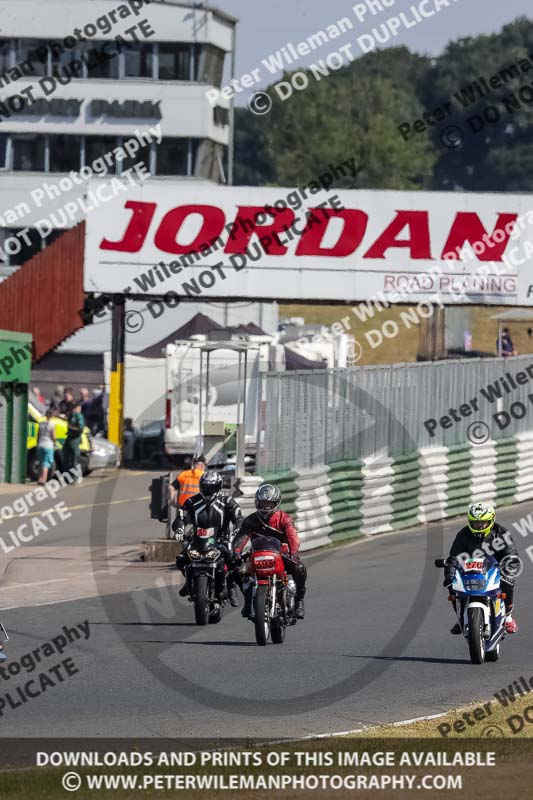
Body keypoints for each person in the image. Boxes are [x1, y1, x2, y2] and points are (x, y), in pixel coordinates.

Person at [232, 484, 307, 620]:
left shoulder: (285, 519)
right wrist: (237, 551)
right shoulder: (251, 519)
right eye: (263, 503)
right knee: (237, 571)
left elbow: (293, 536)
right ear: (257, 502)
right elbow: (242, 537)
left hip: (281, 555)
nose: (265, 506)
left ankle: (299, 602)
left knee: (300, 568)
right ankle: (248, 601)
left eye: (269, 503)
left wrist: (294, 552)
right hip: (257, 555)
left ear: (276, 503)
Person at [444, 502, 519, 635]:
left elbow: (511, 555)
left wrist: (508, 572)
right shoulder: (463, 534)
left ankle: (507, 616)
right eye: (475, 523)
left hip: (495, 569)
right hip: (469, 570)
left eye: (483, 523)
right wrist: (449, 576)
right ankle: (461, 617)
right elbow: (453, 558)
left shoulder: (502, 533)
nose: (479, 526)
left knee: (508, 583)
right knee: (452, 586)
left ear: (491, 520)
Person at [173, 471, 242, 606]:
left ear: (219, 487)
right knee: (181, 559)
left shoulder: (227, 501)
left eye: (212, 488)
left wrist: (237, 531)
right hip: (198, 538)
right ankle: (189, 583)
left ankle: (231, 586)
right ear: (201, 487)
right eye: (205, 487)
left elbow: (239, 518)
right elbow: (180, 517)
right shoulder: (191, 501)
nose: (208, 491)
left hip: (222, 538)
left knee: (233, 559)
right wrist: (180, 529)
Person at [62, 402, 85, 475]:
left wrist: (72, 428)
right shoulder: (71, 416)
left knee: (74, 458)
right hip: (69, 438)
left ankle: (75, 476)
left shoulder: (79, 416)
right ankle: (67, 475)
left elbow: (80, 428)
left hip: (75, 438)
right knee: (66, 457)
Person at [36, 408, 56, 484]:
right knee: (46, 464)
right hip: (48, 445)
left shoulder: (41, 424)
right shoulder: (52, 425)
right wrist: (55, 442)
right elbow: (53, 436)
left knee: (41, 463)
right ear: (52, 416)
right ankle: (44, 480)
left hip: (40, 444)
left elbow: (38, 435)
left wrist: (37, 443)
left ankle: (39, 479)